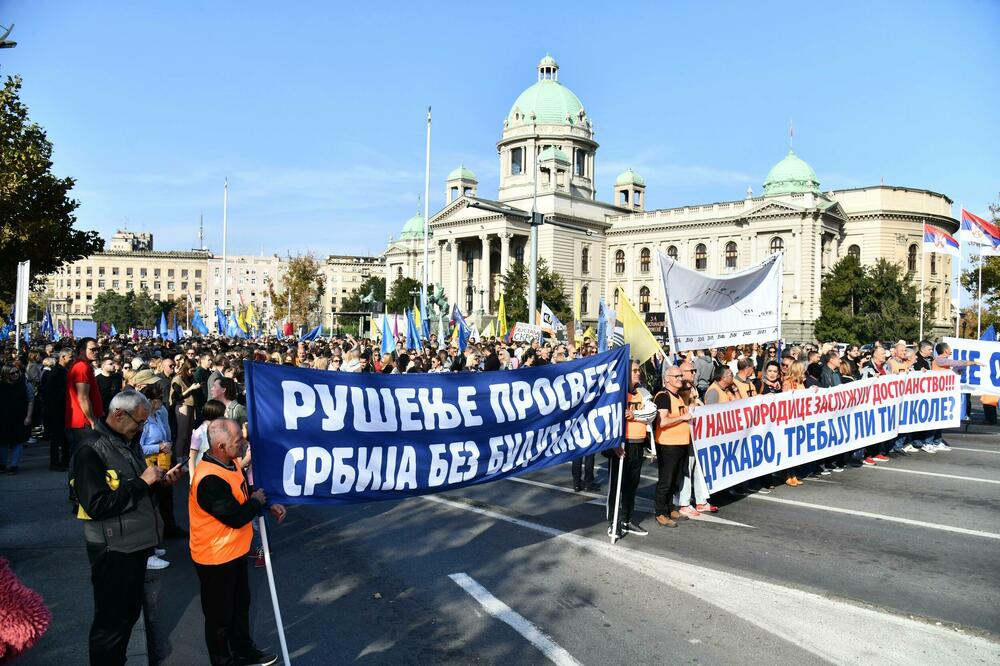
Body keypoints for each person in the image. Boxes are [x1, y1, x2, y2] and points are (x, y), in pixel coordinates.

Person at [72, 390, 184, 665]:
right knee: (112, 622)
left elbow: (135, 491)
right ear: (119, 414)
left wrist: (160, 483)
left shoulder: (127, 442)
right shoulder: (90, 450)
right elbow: (97, 505)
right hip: (112, 549)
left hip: (132, 544)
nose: (142, 428)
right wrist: (143, 482)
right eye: (140, 421)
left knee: (127, 615)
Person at [189, 418, 284, 666]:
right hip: (215, 557)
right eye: (238, 440)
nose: (243, 443)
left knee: (240, 606)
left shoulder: (230, 462)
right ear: (220, 446)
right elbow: (236, 517)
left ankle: (244, 651)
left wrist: (265, 503)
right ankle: (223, 660)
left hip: (234, 551)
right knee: (220, 617)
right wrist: (256, 502)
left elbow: (243, 494)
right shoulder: (209, 478)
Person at [607, 360, 654, 537]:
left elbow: (652, 413)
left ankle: (627, 520)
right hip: (621, 445)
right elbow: (609, 418)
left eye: (638, 370)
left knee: (632, 486)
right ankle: (613, 523)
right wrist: (613, 443)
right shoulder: (616, 393)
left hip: (638, 444)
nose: (638, 373)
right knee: (616, 487)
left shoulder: (643, 392)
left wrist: (635, 414)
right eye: (634, 371)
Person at [652, 367, 692, 528]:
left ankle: (669, 508)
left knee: (675, 479)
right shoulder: (663, 396)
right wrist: (682, 417)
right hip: (668, 445)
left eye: (681, 375)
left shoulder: (678, 396)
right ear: (667, 378)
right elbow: (662, 422)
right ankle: (660, 513)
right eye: (677, 376)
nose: (680, 378)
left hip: (680, 443)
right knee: (666, 480)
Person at [66, 337, 105, 456]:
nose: (96, 352)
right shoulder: (81, 367)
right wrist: (92, 420)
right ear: (82, 351)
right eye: (92, 349)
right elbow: (82, 397)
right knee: (87, 456)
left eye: (97, 349)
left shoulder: (83, 366)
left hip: (83, 421)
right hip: (84, 422)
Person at [0, 365, 34, 474]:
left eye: (17, 372)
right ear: (6, 374)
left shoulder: (25, 383)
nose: (16, 375)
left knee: (18, 441)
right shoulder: (1, 385)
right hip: (4, 418)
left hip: (20, 417)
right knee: (3, 442)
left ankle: (14, 465)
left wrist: (28, 416)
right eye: (12, 373)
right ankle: (2, 464)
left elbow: (30, 400)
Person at [42, 349, 72, 470]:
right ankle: (55, 462)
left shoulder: (64, 370)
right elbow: (50, 391)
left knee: (64, 437)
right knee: (57, 437)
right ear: (63, 357)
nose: (72, 359)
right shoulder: (57, 372)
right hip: (57, 409)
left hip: (62, 408)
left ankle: (64, 460)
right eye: (70, 357)